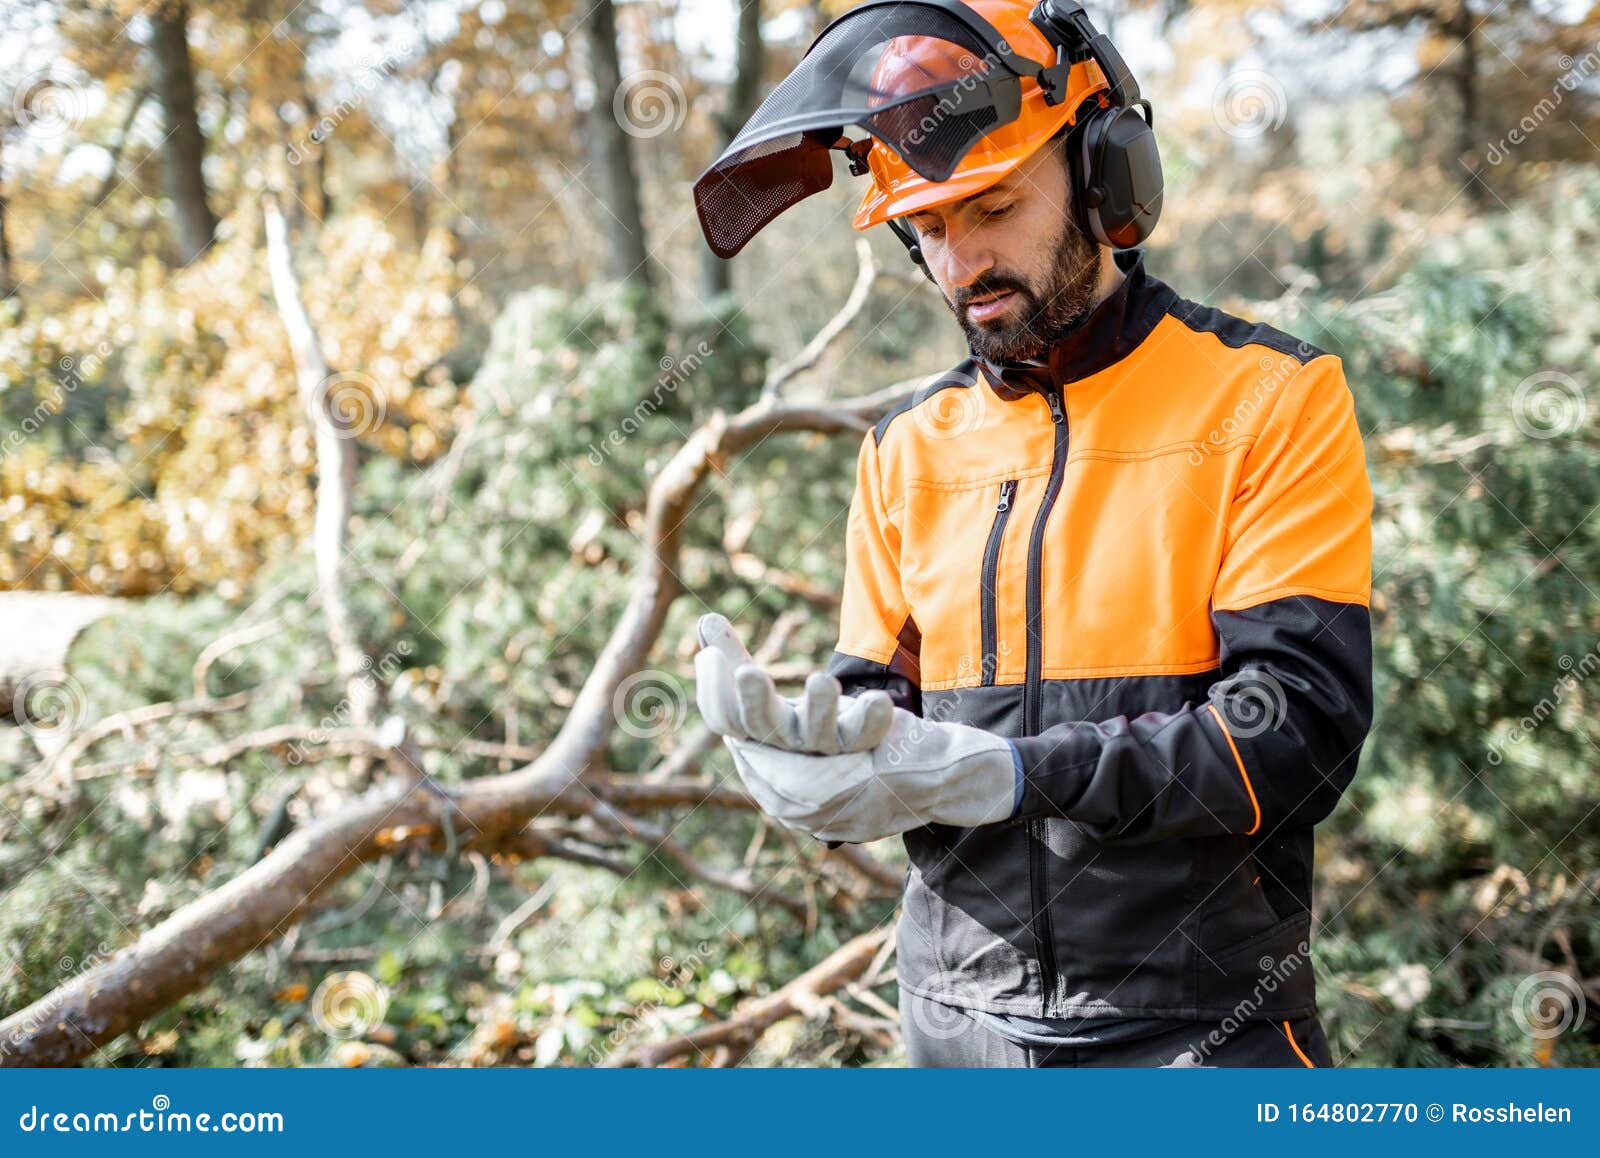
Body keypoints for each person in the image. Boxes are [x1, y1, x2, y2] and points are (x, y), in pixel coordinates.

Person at [691, 0, 1372, 1068]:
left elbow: (1293, 734)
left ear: (1108, 173)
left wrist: (1012, 774)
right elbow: (885, 709)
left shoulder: (1268, 399)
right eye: (928, 230)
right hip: (951, 1026)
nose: (961, 264)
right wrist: (822, 765)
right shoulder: (905, 450)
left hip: (1199, 1032)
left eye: (993, 205)